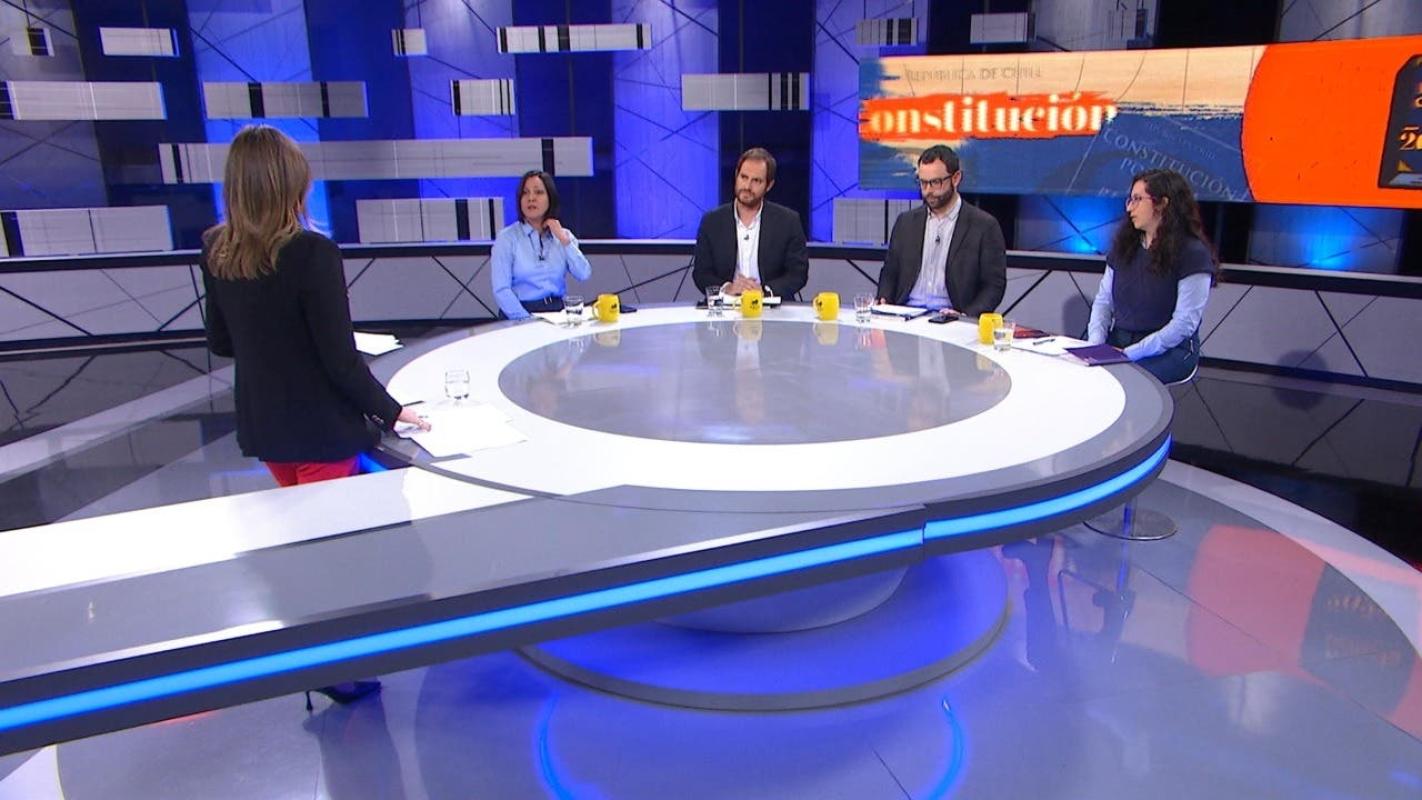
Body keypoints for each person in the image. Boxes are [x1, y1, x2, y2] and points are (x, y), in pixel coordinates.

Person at [201, 124, 428, 705]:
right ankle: (331, 664)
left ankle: (321, 654)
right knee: (334, 557)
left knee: (311, 546)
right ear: (289, 186)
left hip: (268, 429)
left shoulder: (217, 249)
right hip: (321, 430)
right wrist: (394, 411)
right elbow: (339, 360)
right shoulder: (312, 253)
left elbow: (222, 342)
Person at [1086, 168, 1218, 383]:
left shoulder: (1193, 253)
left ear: (1162, 203)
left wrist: (1130, 353)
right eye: (1130, 199)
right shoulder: (1124, 247)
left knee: (1127, 381)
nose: (1129, 208)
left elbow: (1184, 324)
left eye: (1137, 199)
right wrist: (1096, 346)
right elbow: (1103, 302)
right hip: (1120, 340)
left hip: (1170, 349)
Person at [876, 144, 1006, 316]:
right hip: (906, 314)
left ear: (956, 178)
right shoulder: (905, 223)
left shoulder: (984, 226)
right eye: (923, 183)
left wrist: (966, 316)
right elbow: (890, 272)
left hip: (953, 318)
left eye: (935, 182)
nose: (928, 191)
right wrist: (884, 299)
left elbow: (994, 285)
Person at [692, 147, 809, 299]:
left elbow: (798, 273)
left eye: (756, 181)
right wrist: (728, 288)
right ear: (736, 175)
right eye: (744, 177)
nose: (747, 186)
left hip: (772, 307)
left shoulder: (788, 222)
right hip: (726, 306)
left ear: (769, 185)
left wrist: (764, 291)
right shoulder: (712, 222)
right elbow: (701, 273)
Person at [490, 170, 592, 319]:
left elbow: (583, 274)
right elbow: (501, 290)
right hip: (520, 313)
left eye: (538, 192)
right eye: (525, 193)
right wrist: (527, 321)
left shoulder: (563, 236)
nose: (531, 198)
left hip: (557, 312)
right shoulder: (507, 238)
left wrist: (565, 241)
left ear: (550, 198)